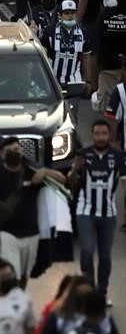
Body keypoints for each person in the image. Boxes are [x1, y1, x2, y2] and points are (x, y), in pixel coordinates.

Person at [0, 137, 65, 285]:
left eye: (16, 149)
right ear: (1, 155)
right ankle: (12, 303)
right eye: (8, 151)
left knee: (24, 277)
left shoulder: (33, 170)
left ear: (22, 151)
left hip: (31, 234)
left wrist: (45, 171)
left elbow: (62, 180)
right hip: (6, 234)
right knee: (11, 276)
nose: (13, 152)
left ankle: (17, 301)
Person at [70, 119, 126, 296]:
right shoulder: (83, 154)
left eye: (104, 133)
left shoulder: (118, 156)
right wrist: (73, 171)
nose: (101, 137)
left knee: (105, 256)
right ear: (92, 135)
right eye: (97, 133)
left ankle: (101, 292)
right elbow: (71, 183)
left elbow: (124, 182)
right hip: (85, 211)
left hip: (108, 213)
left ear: (109, 135)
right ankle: (89, 290)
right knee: (86, 251)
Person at [40, 0, 91, 122]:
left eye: (72, 13)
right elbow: (43, 54)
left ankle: (71, 138)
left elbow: (86, 57)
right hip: (53, 79)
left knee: (72, 115)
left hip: (74, 80)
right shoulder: (50, 31)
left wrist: (88, 80)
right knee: (53, 115)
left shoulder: (83, 32)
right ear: (60, 15)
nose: (70, 16)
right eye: (66, 13)